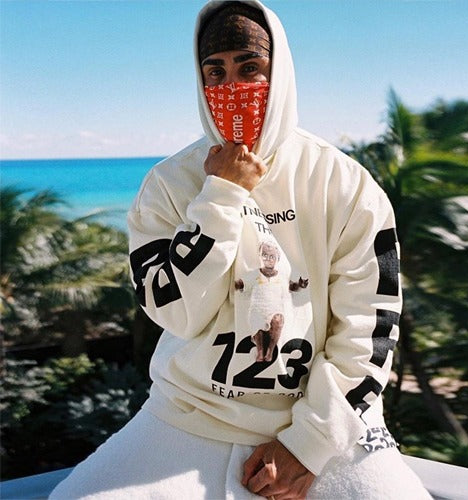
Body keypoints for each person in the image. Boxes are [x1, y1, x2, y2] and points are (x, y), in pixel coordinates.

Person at [50, 1, 432, 498]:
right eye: (216, 71)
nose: (231, 86)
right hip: (191, 414)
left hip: (326, 420)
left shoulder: (343, 183)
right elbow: (177, 313)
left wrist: (307, 446)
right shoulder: (169, 183)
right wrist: (222, 195)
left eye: (250, 68)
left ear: (281, 73)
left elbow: (369, 327)